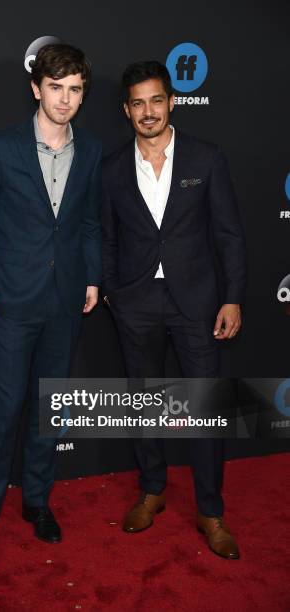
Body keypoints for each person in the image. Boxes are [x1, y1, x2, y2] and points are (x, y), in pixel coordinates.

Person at [0, 43, 102, 566]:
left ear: (83, 94)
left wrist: (92, 278)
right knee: (3, 411)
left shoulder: (91, 150)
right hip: (12, 302)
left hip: (66, 302)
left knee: (48, 411)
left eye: (75, 89)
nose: (65, 99)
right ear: (36, 88)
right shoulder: (0, 148)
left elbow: (86, 223)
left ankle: (37, 502)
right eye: (55, 88)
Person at [101, 61, 246, 559]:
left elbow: (228, 234)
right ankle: (153, 490)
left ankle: (210, 511)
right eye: (138, 103)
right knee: (144, 407)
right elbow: (107, 238)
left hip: (198, 305)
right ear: (126, 110)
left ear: (172, 102)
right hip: (136, 304)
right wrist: (115, 292)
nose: (148, 111)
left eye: (156, 100)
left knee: (204, 412)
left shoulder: (206, 159)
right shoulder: (112, 168)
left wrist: (232, 296)